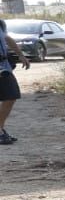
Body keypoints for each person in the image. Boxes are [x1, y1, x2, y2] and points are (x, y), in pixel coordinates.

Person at [0, 16, 30, 146]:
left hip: (4, 66)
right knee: (10, 95)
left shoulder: (1, 24)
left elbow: (7, 38)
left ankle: (0, 128)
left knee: (11, 95)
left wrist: (21, 55)